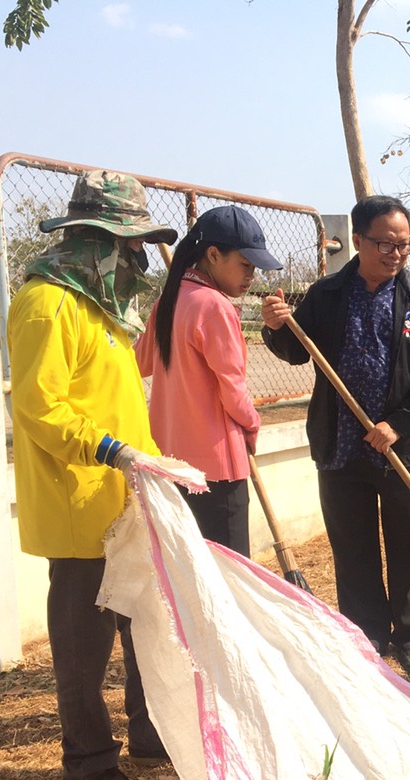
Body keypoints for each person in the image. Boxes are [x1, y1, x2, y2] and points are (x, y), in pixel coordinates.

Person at [9, 170, 179, 780]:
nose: (138, 258)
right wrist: (108, 451)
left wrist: (153, 464)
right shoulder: (47, 304)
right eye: (129, 245)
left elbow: (116, 405)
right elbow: (40, 407)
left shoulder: (100, 309)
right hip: (79, 507)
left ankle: (148, 732)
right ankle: (87, 765)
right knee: (84, 645)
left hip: (121, 501)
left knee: (143, 624)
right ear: (93, 239)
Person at [260, 195, 410, 679]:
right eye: (385, 244)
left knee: (408, 541)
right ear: (360, 240)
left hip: (401, 447)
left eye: (405, 245)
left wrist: (398, 423)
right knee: (353, 545)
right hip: (342, 446)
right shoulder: (328, 294)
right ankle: (365, 631)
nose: (396, 254)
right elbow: (298, 350)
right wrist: (276, 328)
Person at [138, 206, 280, 555]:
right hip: (218, 467)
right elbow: (233, 390)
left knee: (189, 572)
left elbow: (137, 361)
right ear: (213, 255)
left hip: (172, 461)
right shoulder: (215, 306)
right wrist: (252, 424)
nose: (252, 277)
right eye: (245, 265)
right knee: (228, 575)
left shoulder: (169, 299)